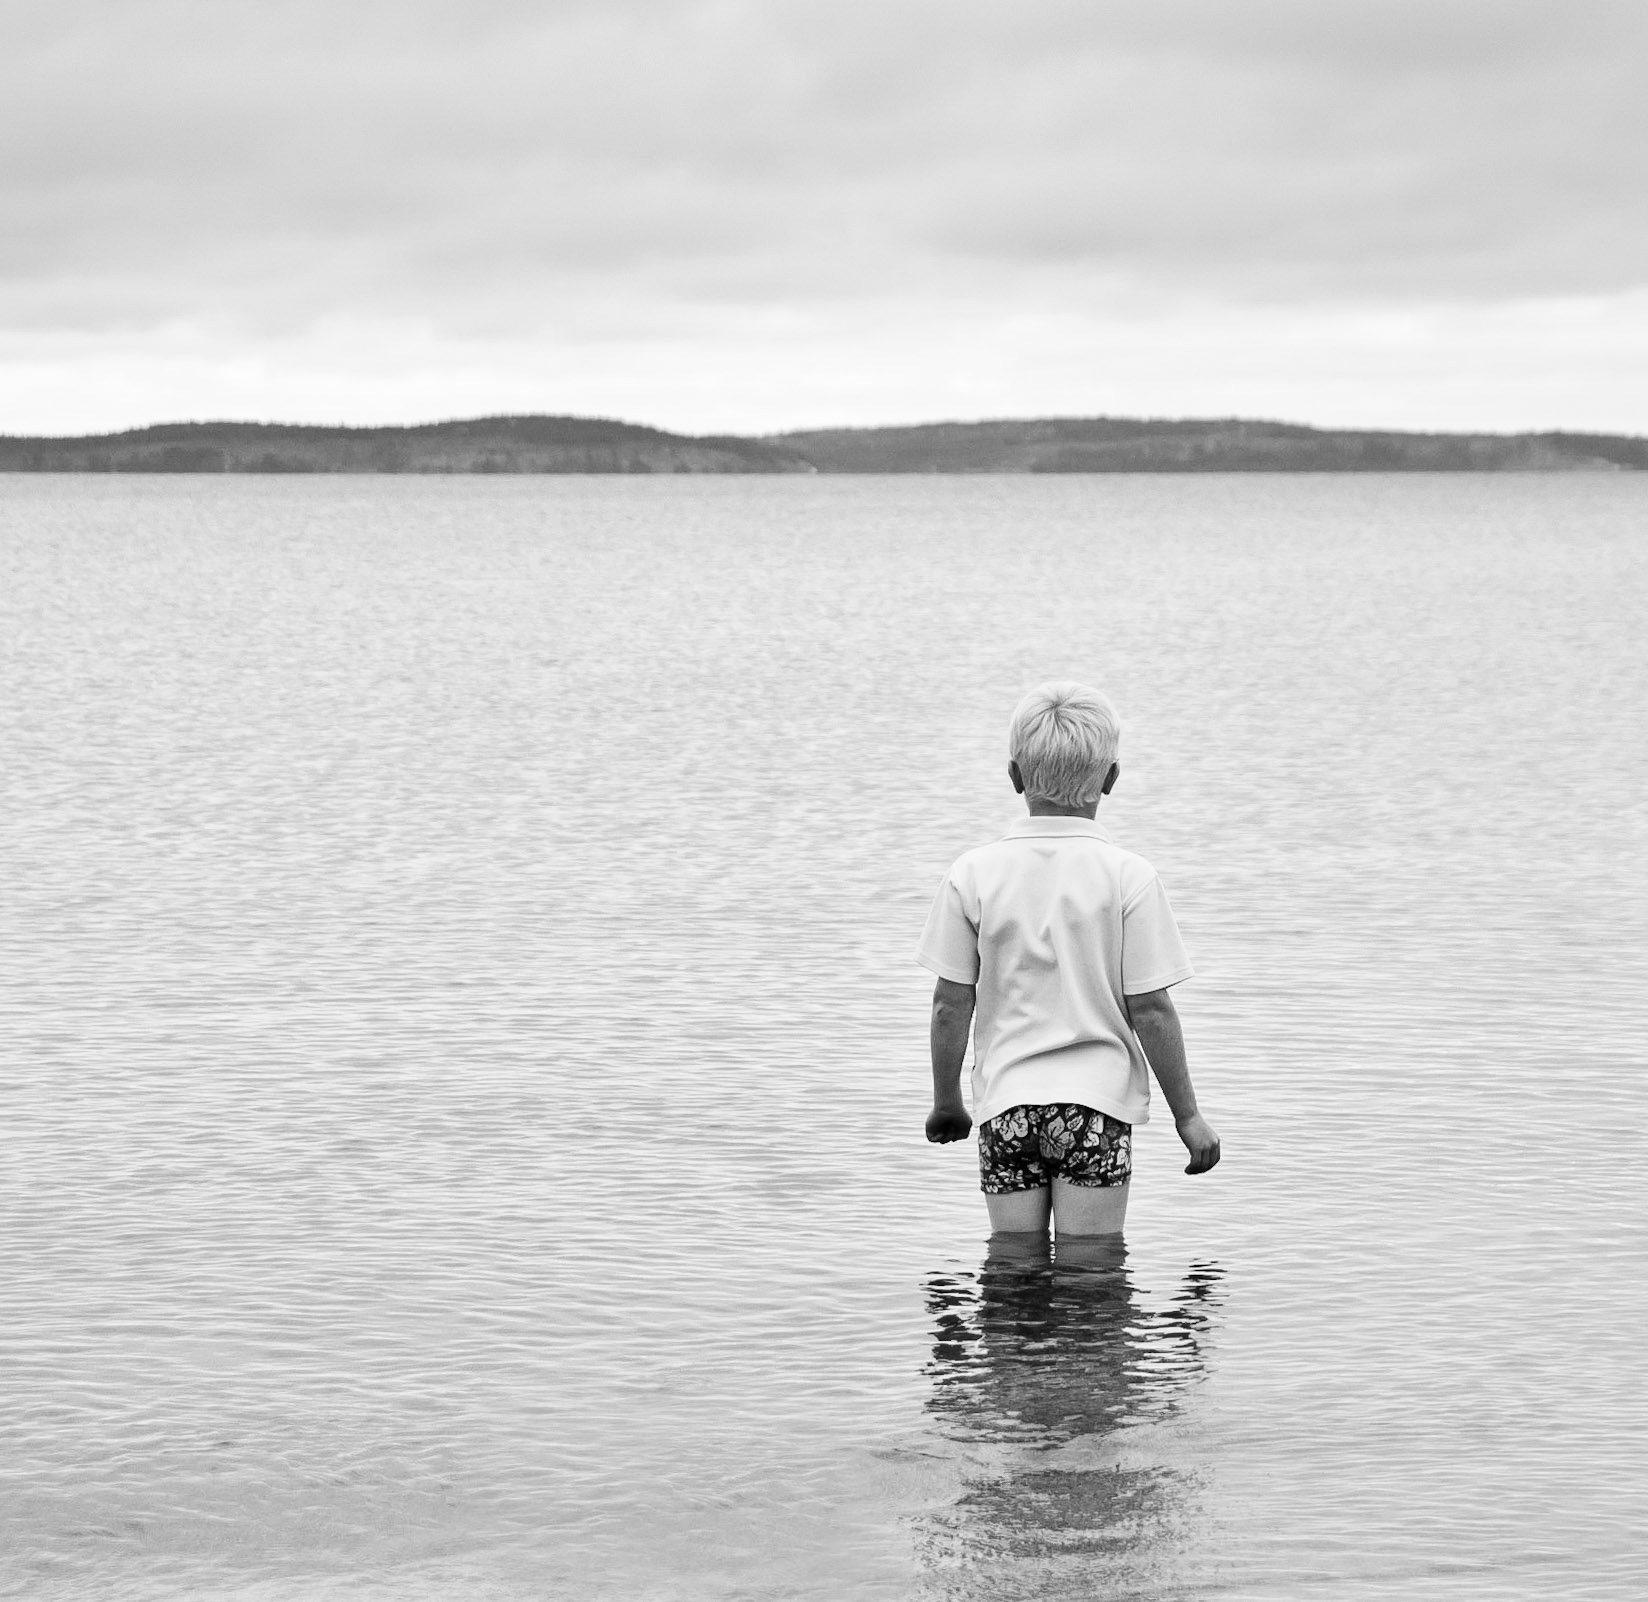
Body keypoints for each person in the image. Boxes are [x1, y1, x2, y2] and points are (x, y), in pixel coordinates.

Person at [916, 681, 1220, 1240]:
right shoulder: (1128, 876)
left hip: (1007, 1107)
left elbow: (949, 1004)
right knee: (1094, 1278)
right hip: (1095, 1109)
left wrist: (946, 1102)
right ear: (1111, 778)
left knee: (1011, 1274)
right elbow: (1151, 1009)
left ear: (1014, 776)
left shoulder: (973, 874)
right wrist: (1188, 1117)